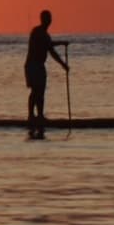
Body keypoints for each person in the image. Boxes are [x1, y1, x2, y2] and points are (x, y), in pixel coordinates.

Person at [25, 9, 69, 139]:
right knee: (35, 90)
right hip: (32, 65)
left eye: (50, 18)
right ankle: (31, 117)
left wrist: (63, 63)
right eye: (48, 18)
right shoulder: (37, 32)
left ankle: (40, 116)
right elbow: (50, 48)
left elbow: (50, 47)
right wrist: (63, 64)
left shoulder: (45, 34)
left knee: (41, 91)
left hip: (40, 65)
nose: (50, 21)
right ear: (43, 20)